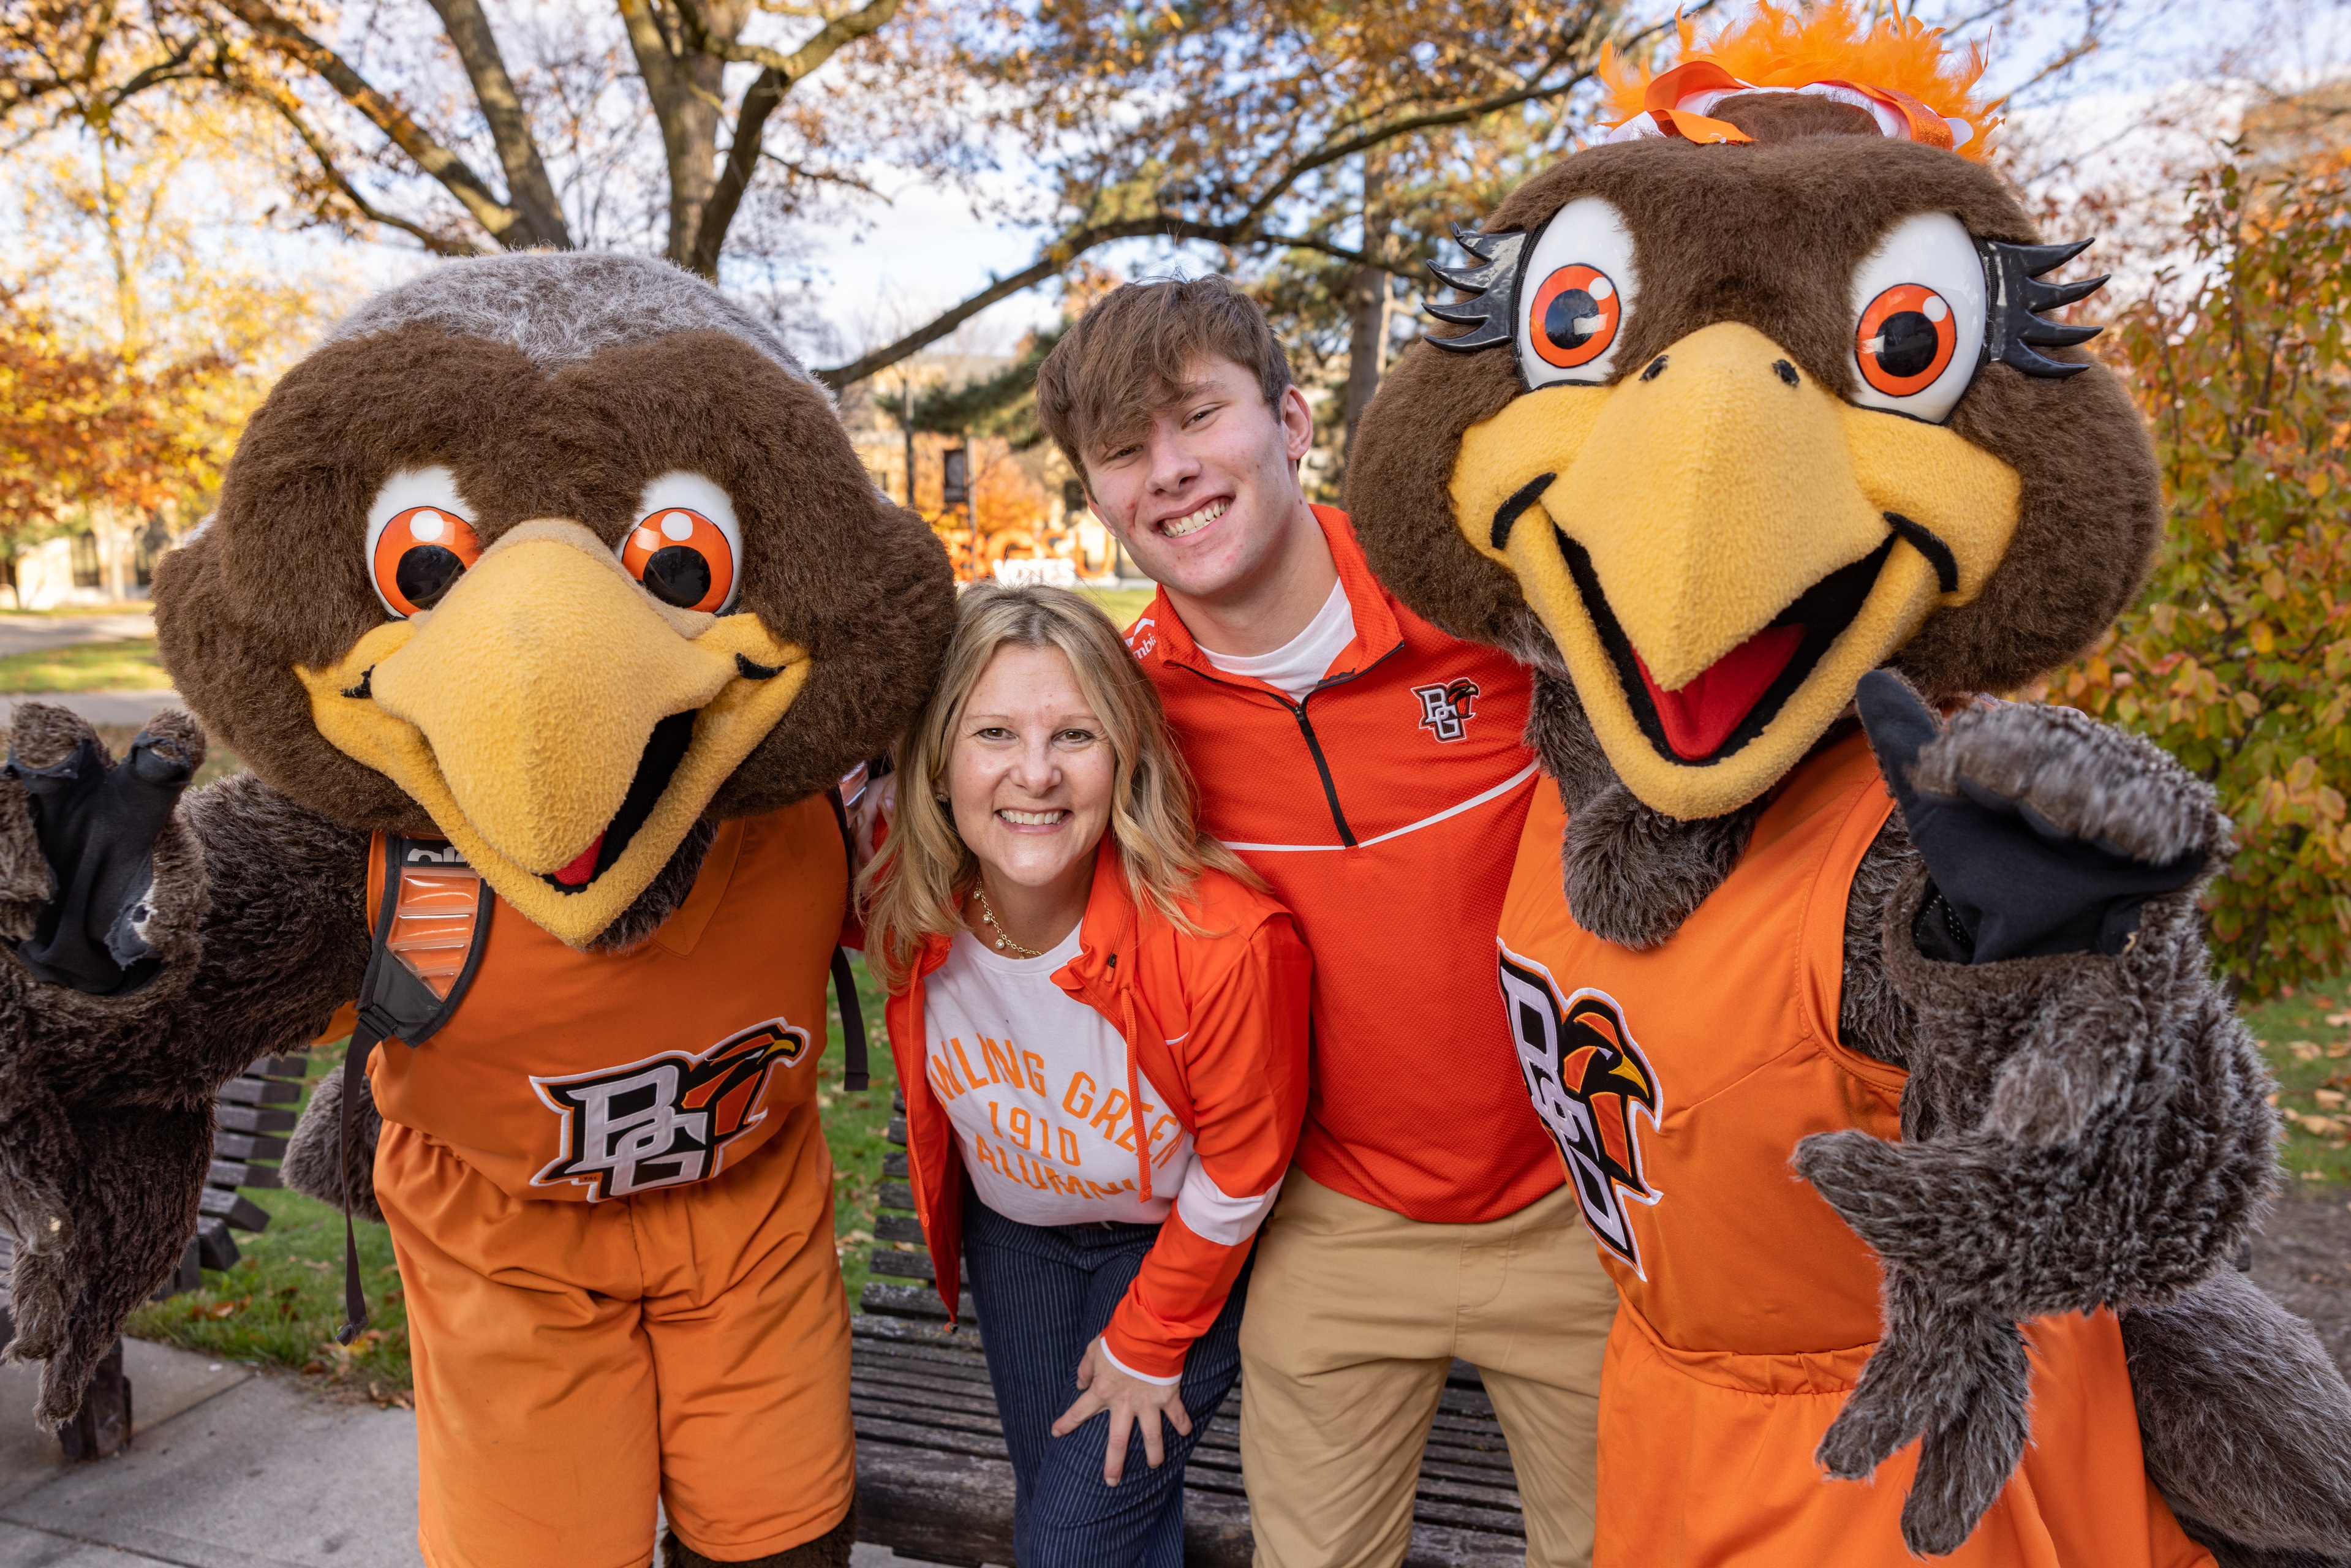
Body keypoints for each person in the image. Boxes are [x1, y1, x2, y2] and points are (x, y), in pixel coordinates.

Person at [1032, 276, 1619, 1568]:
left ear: (1291, 422)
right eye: (1125, 451)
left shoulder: (1489, 610)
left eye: (1197, 417)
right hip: (1328, 1221)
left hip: (1575, 1206)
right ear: (1096, 495)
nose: (1171, 471)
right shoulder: (1123, 718)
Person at [861, 582, 1312, 1568]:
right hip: (1015, 1244)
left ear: (1126, 756)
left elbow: (1243, 1164)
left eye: (1075, 735)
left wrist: (1153, 1337)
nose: (1034, 775)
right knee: (1074, 1517)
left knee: (1068, 1545)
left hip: (1169, 1252)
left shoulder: (1222, 942)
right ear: (938, 762)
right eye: (991, 733)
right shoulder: (910, 898)